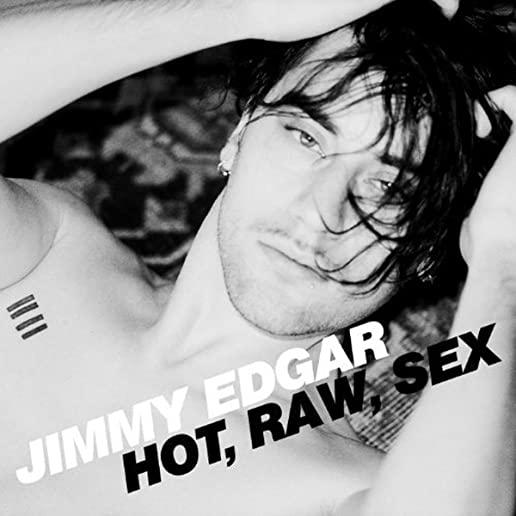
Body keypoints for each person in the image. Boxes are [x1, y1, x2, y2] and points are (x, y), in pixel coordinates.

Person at [0, 0, 514, 514]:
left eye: (389, 187)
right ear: (239, 134)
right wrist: (239, 12)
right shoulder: (45, 259)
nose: (323, 210)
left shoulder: (341, 491)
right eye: (307, 137)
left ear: (429, 246)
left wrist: (502, 262)